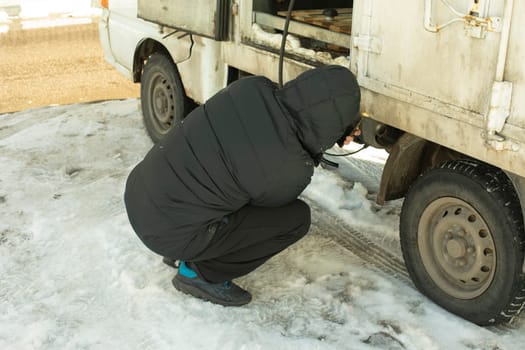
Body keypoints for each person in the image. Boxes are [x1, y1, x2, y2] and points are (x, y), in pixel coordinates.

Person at [124, 65, 361, 306]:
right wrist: (324, 142)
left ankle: (181, 245)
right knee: (295, 219)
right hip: (168, 231)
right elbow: (265, 206)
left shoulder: (253, 87)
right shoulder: (291, 169)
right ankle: (199, 274)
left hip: (142, 189)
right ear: (332, 125)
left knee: (228, 175)